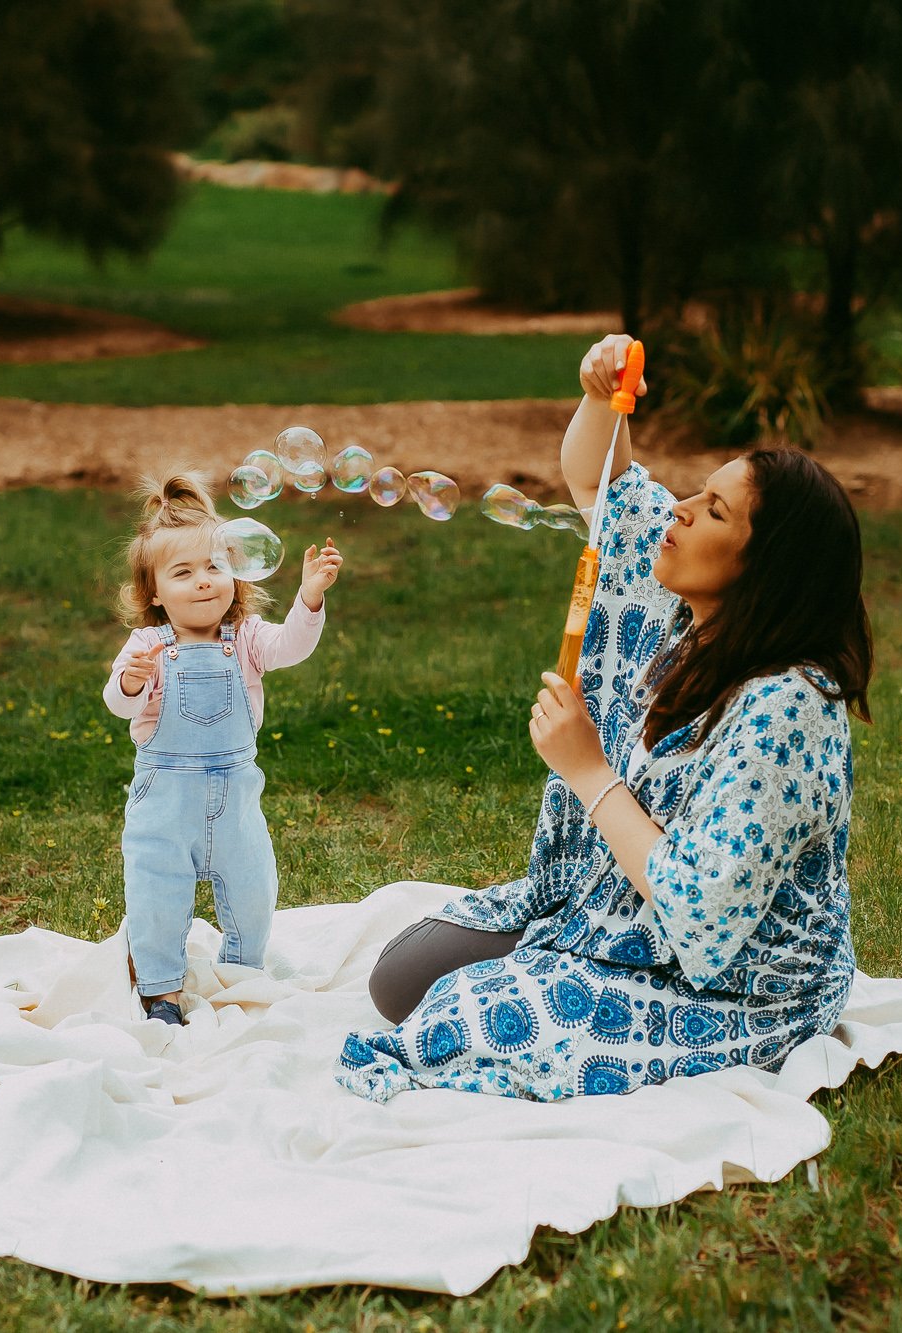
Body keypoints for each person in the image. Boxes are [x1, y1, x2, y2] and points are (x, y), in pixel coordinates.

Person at [337, 334, 872, 1100]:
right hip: (614, 904)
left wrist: (586, 768)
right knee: (400, 979)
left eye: (713, 510)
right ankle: (565, 944)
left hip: (734, 983)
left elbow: (703, 922)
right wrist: (599, 393)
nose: (680, 510)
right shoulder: (688, 612)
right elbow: (599, 478)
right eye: (697, 492)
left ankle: (561, 967)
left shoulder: (787, 709)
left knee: (457, 1023)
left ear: (764, 571)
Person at [104, 473, 344, 1024]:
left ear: (236, 574)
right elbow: (118, 704)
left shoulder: (249, 637)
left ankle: (241, 973)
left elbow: (292, 647)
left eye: (215, 567)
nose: (204, 581)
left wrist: (310, 598)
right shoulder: (148, 645)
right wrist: (133, 683)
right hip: (165, 800)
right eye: (182, 572)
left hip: (236, 798)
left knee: (254, 888)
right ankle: (161, 991)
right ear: (155, 593)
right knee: (156, 895)